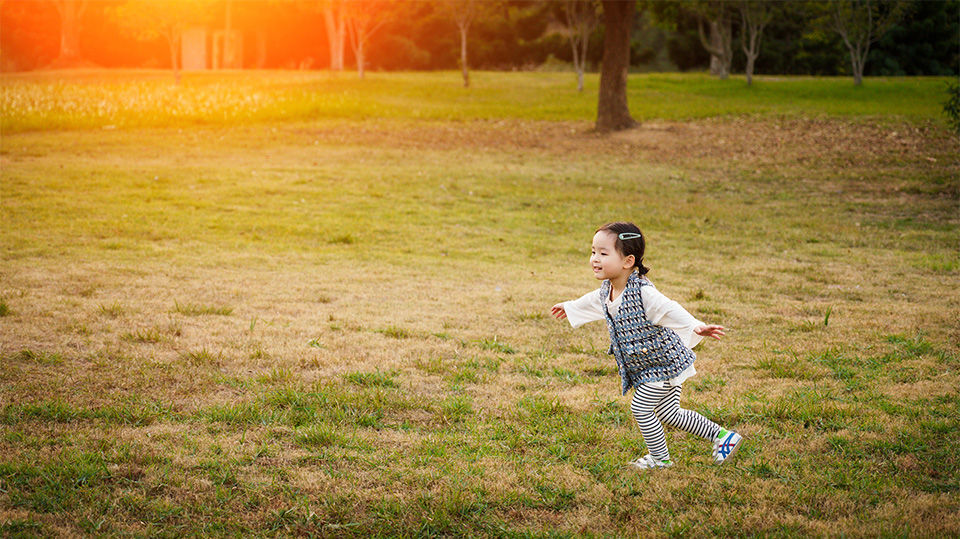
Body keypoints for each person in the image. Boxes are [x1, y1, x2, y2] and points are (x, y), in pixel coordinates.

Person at [550, 221, 743, 470]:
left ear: (628, 261)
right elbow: (593, 302)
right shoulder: (607, 289)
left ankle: (660, 459)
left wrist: (696, 325)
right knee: (670, 413)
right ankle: (723, 437)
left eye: (603, 253)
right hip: (649, 365)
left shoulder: (643, 292)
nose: (595, 259)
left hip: (661, 365)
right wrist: (571, 306)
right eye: (593, 251)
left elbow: (668, 307)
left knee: (641, 408)